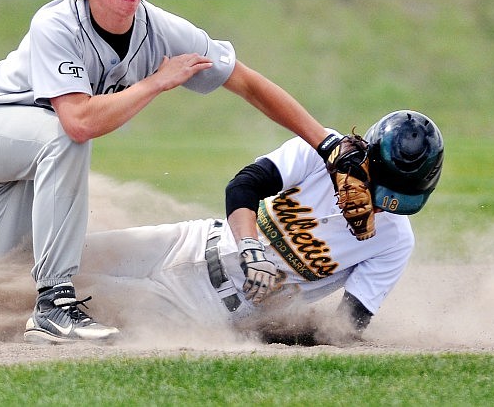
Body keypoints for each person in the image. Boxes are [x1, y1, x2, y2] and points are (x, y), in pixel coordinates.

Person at [0, 0, 356, 344]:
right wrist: (156, 82)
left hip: (23, 154)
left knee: (3, 282)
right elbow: (80, 122)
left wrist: (325, 141)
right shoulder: (57, 23)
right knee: (64, 138)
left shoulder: (160, 29)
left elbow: (245, 81)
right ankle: (54, 303)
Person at [78, 110, 444, 344]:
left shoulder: (393, 242)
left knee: (90, 310)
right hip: (184, 241)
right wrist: (252, 250)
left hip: (205, 309)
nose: (379, 205)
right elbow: (245, 186)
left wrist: (285, 318)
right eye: (378, 189)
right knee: (65, 264)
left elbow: (345, 328)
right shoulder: (321, 153)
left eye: (395, 198)